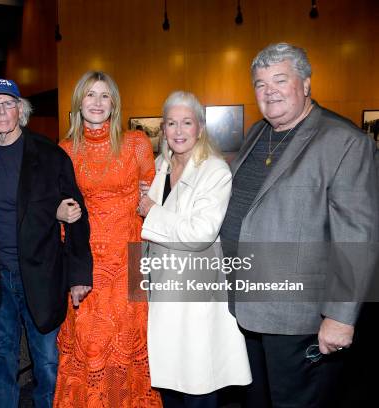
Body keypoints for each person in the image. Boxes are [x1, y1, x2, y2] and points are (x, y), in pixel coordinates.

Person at [220, 42, 379, 407]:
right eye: (260, 83)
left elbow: (357, 236)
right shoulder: (258, 133)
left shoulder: (344, 142)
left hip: (299, 318)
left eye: (280, 79)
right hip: (244, 310)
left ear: (305, 84)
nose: (269, 90)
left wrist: (340, 316)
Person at [0, 78, 93, 408]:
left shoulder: (50, 155)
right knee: (1, 363)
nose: (2, 112)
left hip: (40, 277)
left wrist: (79, 275)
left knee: (47, 365)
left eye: (8, 104)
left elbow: (77, 215)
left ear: (20, 110)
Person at [53, 71, 161, 407]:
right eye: (90, 95)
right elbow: (53, 208)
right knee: (91, 343)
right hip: (86, 263)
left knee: (129, 343)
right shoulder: (65, 151)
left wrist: (151, 201)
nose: (97, 103)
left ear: (114, 103)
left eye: (104, 95)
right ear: (78, 103)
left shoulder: (137, 144)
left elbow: (154, 197)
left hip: (130, 260)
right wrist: (56, 213)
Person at [137, 91, 251, 408]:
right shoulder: (159, 166)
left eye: (187, 122)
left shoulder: (214, 170)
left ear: (200, 127)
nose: (179, 131)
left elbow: (201, 233)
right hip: (162, 292)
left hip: (195, 296)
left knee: (199, 385)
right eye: (171, 123)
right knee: (171, 387)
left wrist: (151, 211)